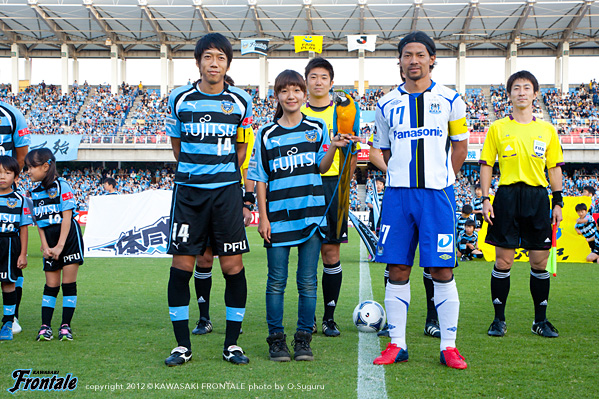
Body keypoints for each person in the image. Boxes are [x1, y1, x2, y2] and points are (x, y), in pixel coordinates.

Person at [371, 31, 469, 369]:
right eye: (407, 55)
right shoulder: (385, 103)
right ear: (399, 61)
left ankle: (449, 346)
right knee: (397, 268)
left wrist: (443, 179)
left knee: (441, 269)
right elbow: (381, 149)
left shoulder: (451, 100)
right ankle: (397, 344)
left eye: (420, 54)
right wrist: (396, 172)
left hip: (436, 196)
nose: (413, 60)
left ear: (432, 59)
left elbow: (460, 147)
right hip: (398, 196)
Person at [249, 70, 357, 362]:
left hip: (312, 219)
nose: (292, 96)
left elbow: (321, 168)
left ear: (304, 95)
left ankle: (302, 340)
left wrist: (333, 147)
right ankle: (276, 340)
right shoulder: (265, 134)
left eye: (297, 90)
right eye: (285, 91)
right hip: (279, 219)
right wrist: (264, 218)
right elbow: (260, 178)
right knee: (276, 282)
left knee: (307, 281)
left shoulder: (317, 127)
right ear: (277, 97)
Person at [163, 33, 253, 366]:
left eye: (220, 58)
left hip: (226, 193)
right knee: (182, 266)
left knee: (233, 266)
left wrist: (226, 174)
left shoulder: (241, 100)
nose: (214, 63)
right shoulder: (179, 98)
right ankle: (182, 346)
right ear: (198, 61)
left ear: (227, 63)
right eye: (208, 57)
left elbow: (242, 147)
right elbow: (177, 146)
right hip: (188, 193)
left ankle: (232, 345)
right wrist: (197, 172)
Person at [480, 70, 564, 339]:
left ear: (535, 94)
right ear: (509, 94)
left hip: (538, 198)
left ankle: (540, 321)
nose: (521, 92)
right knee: (503, 262)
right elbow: (487, 165)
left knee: (539, 262)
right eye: (516, 88)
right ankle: (498, 320)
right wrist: (485, 198)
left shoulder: (547, 130)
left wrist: (558, 202)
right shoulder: (497, 128)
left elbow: (554, 168)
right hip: (506, 197)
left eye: (527, 88)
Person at [191, 73, 254, 337]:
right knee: (203, 259)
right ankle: (204, 317)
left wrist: (247, 202)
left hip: (229, 195)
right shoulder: (194, 112)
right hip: (200, 196)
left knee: (231, 263)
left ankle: (233, 323)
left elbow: (249, 166)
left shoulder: (241, 123)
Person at [301, 57, 360, 337]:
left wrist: (347, 184)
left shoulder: (344, 113)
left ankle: (329, 317)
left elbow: (353, 152)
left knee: (330, 252)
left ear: (331, 83)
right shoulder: (297, 112)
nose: (318, 82)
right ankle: (308, 316)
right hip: (304, 187)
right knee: (307, 255)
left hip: (334, 185)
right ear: (306, 82)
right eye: (313, 77)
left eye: (324, 77)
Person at [26, 149, 84, 342]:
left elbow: (67, 219)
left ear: (45, 166)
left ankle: (65, 326)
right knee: (51, 285)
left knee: (68, 284)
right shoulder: (34, 192)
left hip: (68, 240)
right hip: (50, 242)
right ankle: (45, 327)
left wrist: (60, 246)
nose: (28, 171)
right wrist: (45, 246)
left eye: (31, 167)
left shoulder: (63, 186)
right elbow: (40, 224)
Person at [0, 98, 30, 335]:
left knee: (11, 263)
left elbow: (21, 153)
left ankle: (12, 317)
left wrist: (13, 179)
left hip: (7, 191)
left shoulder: (11, 113)